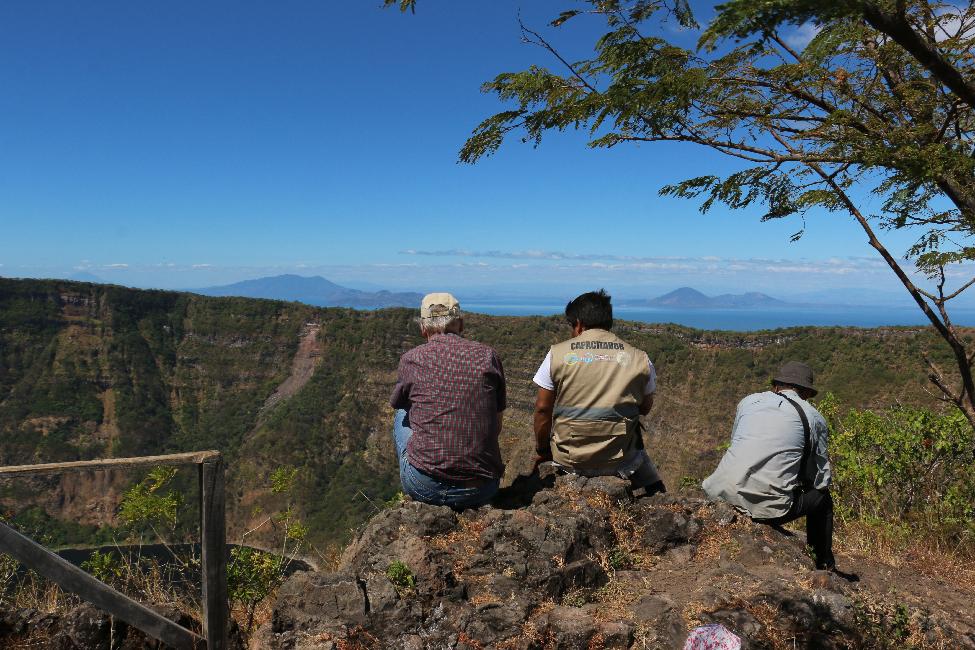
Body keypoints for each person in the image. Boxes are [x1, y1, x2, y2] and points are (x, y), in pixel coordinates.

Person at [702, 361, 843, 573]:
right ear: (805, 392)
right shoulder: (814, 418)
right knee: (822, 498)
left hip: (719, 493)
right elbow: (821, 479)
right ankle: (823, 563)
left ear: (776, 386)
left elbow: (738, 443)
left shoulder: (748, 402)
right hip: (766, 510)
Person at [531, 289, 665, 494]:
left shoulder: (556, 354)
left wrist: (542, 450)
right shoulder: (640, 358)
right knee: (647, 468)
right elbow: (645, 408)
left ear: (579, 324)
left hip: (569, 460)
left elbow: (542, 409)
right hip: (620, 460)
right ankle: (657, 492)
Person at [390, 292, 506, 508]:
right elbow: (496, 425)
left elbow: (398, 402)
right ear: (460, 324)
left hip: (425, 487)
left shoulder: (411, 359)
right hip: (482, 489)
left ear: (423, 328)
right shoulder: (489, 356)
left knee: (401, 413)